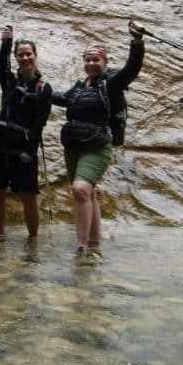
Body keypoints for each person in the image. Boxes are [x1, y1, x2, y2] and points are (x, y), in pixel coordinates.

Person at [52, 21, 146, 257]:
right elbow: (61, 99)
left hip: (98, 145)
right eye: (88, 59)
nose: (91, 63)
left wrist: (136, 42)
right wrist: (37, 87)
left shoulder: (111, 84)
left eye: (96, 60)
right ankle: (94, 243)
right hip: (73, 146)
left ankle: (81, 246)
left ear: (104, 63)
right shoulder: (78, 87)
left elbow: (131, 69)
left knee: (80, 189)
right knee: (88, 193)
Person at [0, 26, 52, 241]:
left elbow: (39, 123)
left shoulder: (44, 88)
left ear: (35, 55)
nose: (25, 58)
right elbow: (0, 66)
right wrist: (6, 42)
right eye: (20, 55)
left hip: (23, 148)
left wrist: (30, 151)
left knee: (29, 195)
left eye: (28, 54)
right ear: (16, 57)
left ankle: (33, 239)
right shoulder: (10, 81)